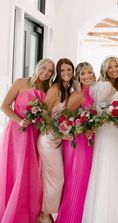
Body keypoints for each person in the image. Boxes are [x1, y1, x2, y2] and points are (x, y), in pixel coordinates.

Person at [82, 56, 118, 223]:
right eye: (110, 67)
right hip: (107, 136)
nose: (113, 69)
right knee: (107, 172)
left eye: (116, 66)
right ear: (104, 70)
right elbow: (101, 111)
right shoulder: (102, 86)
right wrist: (115, 117)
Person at [0, 58, 55, 223]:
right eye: (44, 68)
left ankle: (27, 213)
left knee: (31, 174)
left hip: (35, 135)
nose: (46, 72)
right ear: (38, 66)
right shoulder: (21, 82)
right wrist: (19, 120)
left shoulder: (49, 90)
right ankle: (10, 211)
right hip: (17, 133)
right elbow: (4, 106)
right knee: (15, 170)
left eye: (50, 71)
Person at [55, 62, 96, 223]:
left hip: (89, 143)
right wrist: (81, 129)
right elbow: (63, 121)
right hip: (77, 144)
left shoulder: (94, 92)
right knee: (77, 182)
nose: (87, 76)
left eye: (89, 72)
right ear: (78, 77)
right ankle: (70, 218)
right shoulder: (78, 95)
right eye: (83, 74)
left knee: (85, 182)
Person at [37, 58, 74, 223]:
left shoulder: (69, 89)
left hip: (58, 140)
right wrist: (60, 134)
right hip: (48, 140)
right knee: (57, 178)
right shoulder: (55, 89)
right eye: (63, 70)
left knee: (53, 178)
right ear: (58, 73)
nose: (66, 73)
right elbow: (43, 115)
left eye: (69, 70)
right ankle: (45, 214)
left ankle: (48, 212)